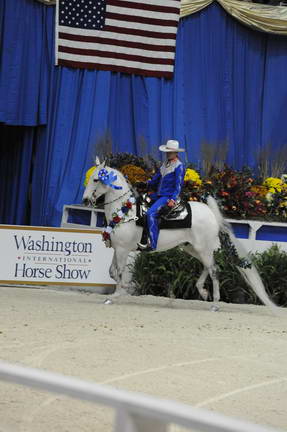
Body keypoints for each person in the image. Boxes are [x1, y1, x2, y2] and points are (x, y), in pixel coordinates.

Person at [138, 140, 185, 251]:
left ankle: (152, 244)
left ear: (176, 153)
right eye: (167, 151)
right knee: (139, 201)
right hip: (158, 195)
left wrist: (173, 199)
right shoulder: (165, 164)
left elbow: (178, 186)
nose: (168, 153)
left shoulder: (179, 166)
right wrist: (145, 184)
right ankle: (141, 237)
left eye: (170, 152)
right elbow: (156, 179)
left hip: (167, 196)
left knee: (151, 213)